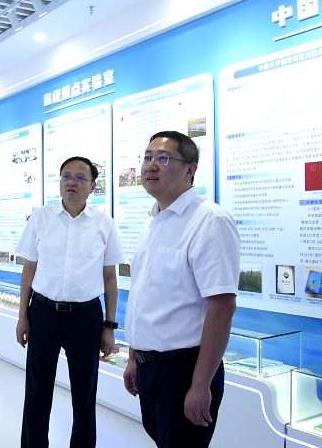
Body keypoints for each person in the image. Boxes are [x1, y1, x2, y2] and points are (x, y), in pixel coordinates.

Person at [122, 131, 240, 448]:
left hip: (184, 370)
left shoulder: (209, 220)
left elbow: (222, 307)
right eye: (147, 157)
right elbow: (144, 297)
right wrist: (134, 357)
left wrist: (200, 385)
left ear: (190, 169)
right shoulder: (154, 221)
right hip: (150, 367)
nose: (151, 165)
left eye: (163, 158)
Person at [15, 156, 125, 448]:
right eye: (66, 176)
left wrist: (109, 326)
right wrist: (22, 316)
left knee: (85, 394)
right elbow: (29, 269)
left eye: (79, 178)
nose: (71, 183)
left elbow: (110, 278)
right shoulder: (41, 217)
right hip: (43, 313)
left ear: (92, 186)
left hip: (85, 317)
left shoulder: (104, 224)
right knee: (37, 391)